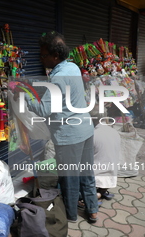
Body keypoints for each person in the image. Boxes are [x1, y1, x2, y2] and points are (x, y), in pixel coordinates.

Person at [24, 31, 99, 223]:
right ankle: (92, 210)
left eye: (43, 55)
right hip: (85, 128)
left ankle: (71, 215)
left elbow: (44, 109)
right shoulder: (73, 67)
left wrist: (24, 98)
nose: (41, 59)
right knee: (86, 171)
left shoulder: (58, 77)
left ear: (55, 56)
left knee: (69, 176)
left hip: (69, 135)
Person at [90, 105, 120, 200]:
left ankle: (95, 195)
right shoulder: (114, 132)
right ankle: (101, 192)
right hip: (111, 176)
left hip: (96, 177)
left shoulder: (94, 134)